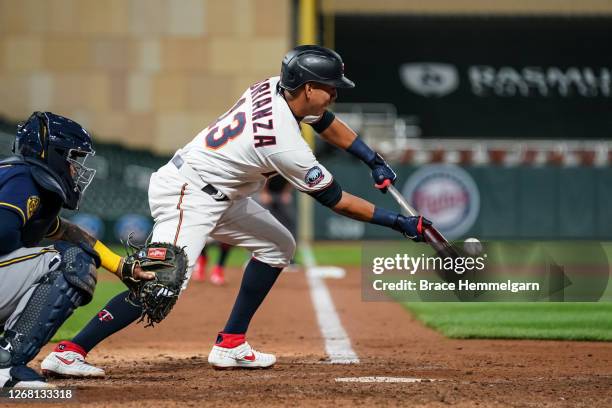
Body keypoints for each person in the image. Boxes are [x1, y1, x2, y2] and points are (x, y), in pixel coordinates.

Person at [41, 45, 431, 374]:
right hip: (188, 193)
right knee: (160, 282)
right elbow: (337, 200)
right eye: (330, 88)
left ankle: (230, 343)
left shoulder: (278, 87)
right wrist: (399, 223)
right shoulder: (284, 143)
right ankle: (70, 352)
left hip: (222, 193)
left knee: (278, 246)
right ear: (309, 87)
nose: (335, 94)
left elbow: (324, 119)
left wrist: (371, 157)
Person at [0, 112, 154, 388]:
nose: (75, 168)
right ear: (53, 154)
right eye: (73, 158)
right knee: (72, 261)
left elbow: (69, 231)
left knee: (66, 251)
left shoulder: (19, 178)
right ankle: (5, 367)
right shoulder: (24, 179)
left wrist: (120, 266)